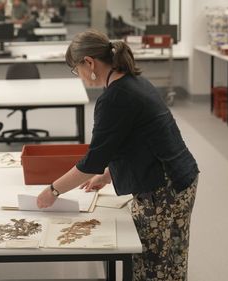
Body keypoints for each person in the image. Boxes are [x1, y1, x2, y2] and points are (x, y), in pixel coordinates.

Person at [36, 30, 199, 281]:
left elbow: (91, 162)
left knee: (153, 267)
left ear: (89, 63)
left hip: (163, 189)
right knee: (172, 260)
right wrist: (108, 175)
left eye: (75, 69)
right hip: (180, 178)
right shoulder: (134, 82)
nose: (78, 75)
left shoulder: (115, 97)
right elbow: (135, 139)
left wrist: (53, 190)